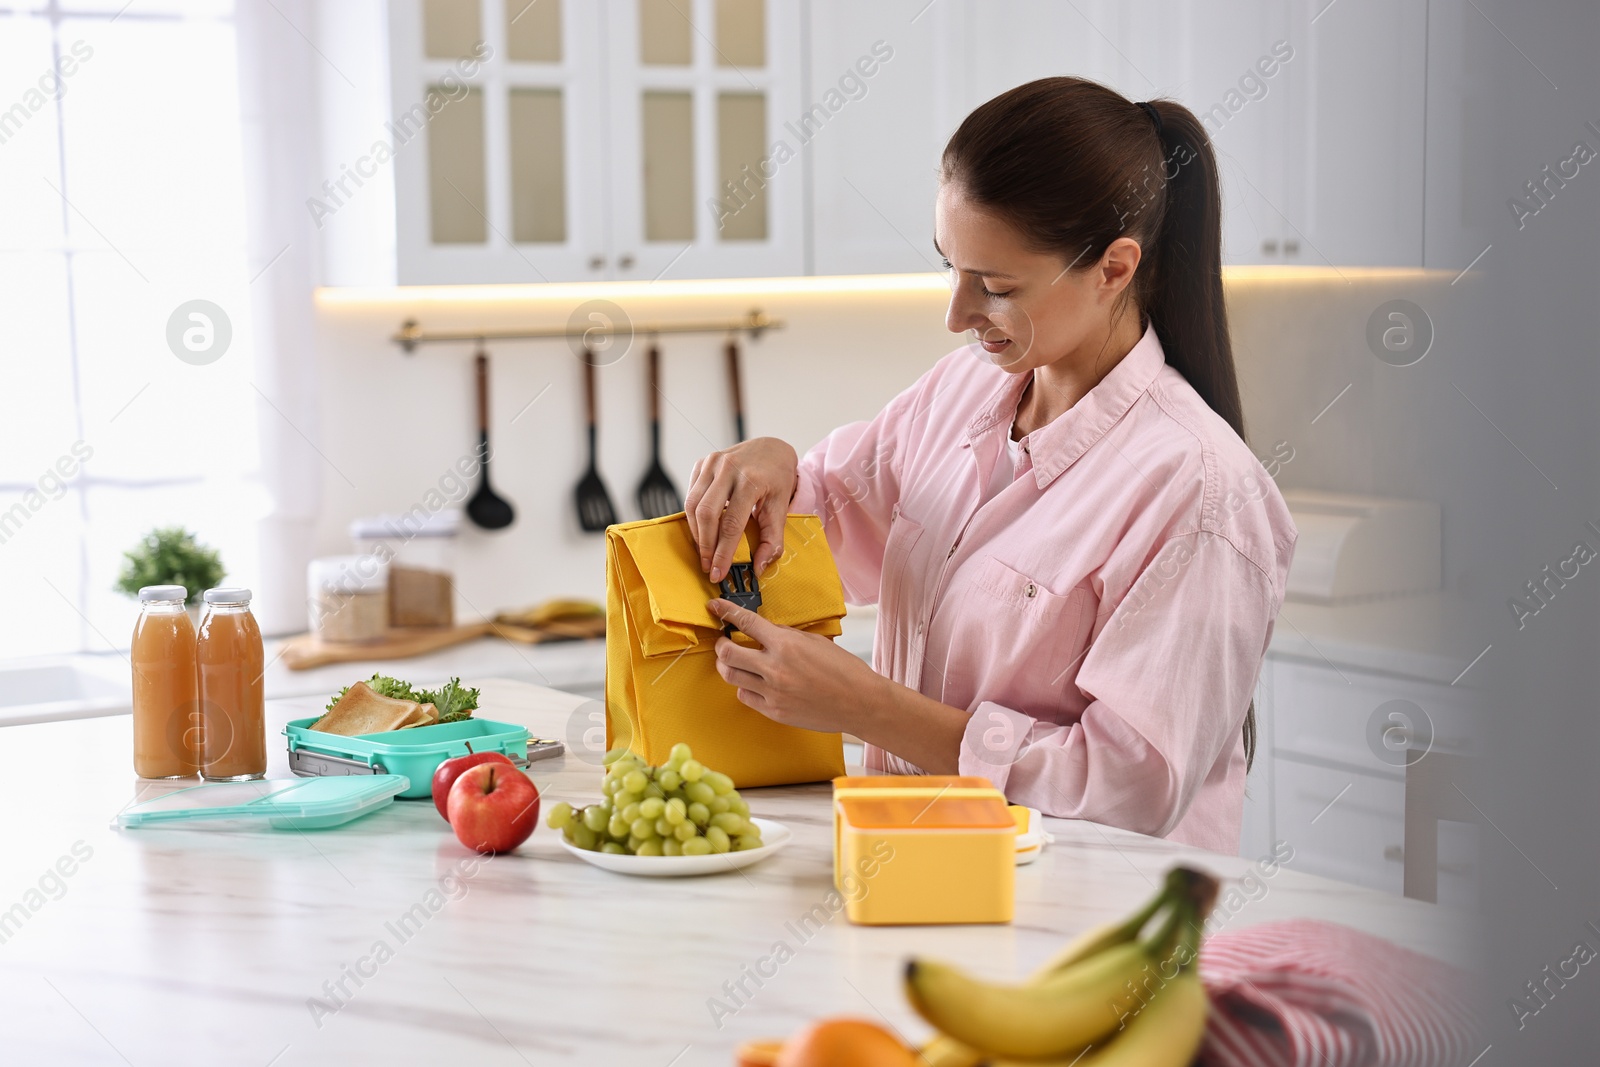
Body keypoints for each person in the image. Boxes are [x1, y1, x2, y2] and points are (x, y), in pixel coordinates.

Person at [686, 77, 1297, 854]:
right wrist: (775, 467)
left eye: (997, 286)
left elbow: (1135, 784)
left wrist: (868, 706)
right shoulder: (966, 391)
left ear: (1114, 268)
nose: (956, 314)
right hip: (914, 878)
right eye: (952, 266)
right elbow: (829, 516)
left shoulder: (1205, 492)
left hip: (1089, 936)